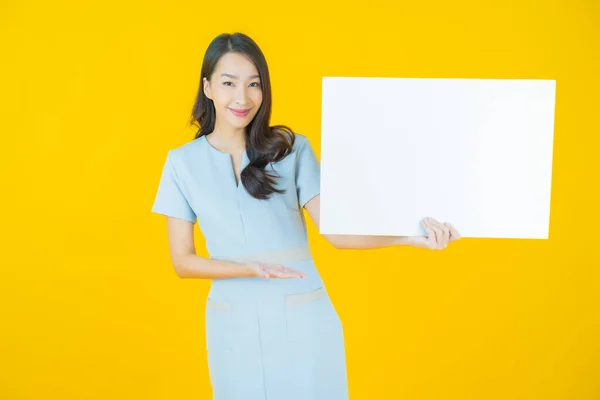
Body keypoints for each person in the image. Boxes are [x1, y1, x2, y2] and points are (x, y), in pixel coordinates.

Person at [151, 32, 461, 400]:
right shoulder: (181, 163)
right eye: (229, 83)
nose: (242, 97)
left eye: (254, 84)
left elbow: (336, 232)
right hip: (232, 322)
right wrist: (249, 269)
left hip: (304, 315)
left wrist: (410, 237)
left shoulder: (290, 150)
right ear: (207, 87)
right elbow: (183, 262)